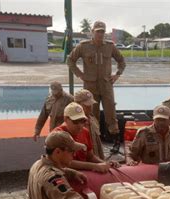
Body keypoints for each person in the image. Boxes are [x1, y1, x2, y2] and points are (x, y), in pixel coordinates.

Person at [67, 20, 126, 153]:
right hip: (90, 86)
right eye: (97, 31)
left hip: (106, 85)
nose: (100, 34)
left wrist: (117, 74)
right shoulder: (83, 46)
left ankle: (116, 143)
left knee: (110, 113)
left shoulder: (110, 46)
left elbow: (121, 61)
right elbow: (70, 60)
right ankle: (94, 142)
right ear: (92, 32)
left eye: (102, 31)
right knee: (92, 115)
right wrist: (80, 74)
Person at [53, 102, 110, 173]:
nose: (80, 125)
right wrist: (94, 166)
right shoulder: (57, 135)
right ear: (66, 119)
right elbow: (65, 162)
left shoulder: (85, 132)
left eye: (82, 121)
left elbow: (90, 157)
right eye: (76, 121)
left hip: (86, 174)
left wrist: (105, 164)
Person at [74, 89, 105, 160]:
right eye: (87, 105)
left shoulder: (93, 119)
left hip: (96, 161)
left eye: (91, 104)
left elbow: (98, 144)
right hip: (83, 164)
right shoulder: (73, 123)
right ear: (77, 104)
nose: (90, 107)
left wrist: (103, 161)